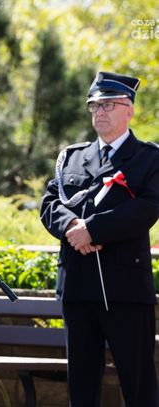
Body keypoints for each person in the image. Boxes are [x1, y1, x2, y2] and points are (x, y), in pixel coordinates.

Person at [40, 71, 159, 406]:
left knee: (139, 387)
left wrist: (93, 229)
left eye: (109, 105)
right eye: (94, 106)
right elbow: (49, 203)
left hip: (126, 290)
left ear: (129, 110)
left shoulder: (149, 158)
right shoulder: (72, 156)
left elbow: (147, 208)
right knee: (82, 388)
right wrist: (71, 226)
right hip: (78, 286)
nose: (100, 112)